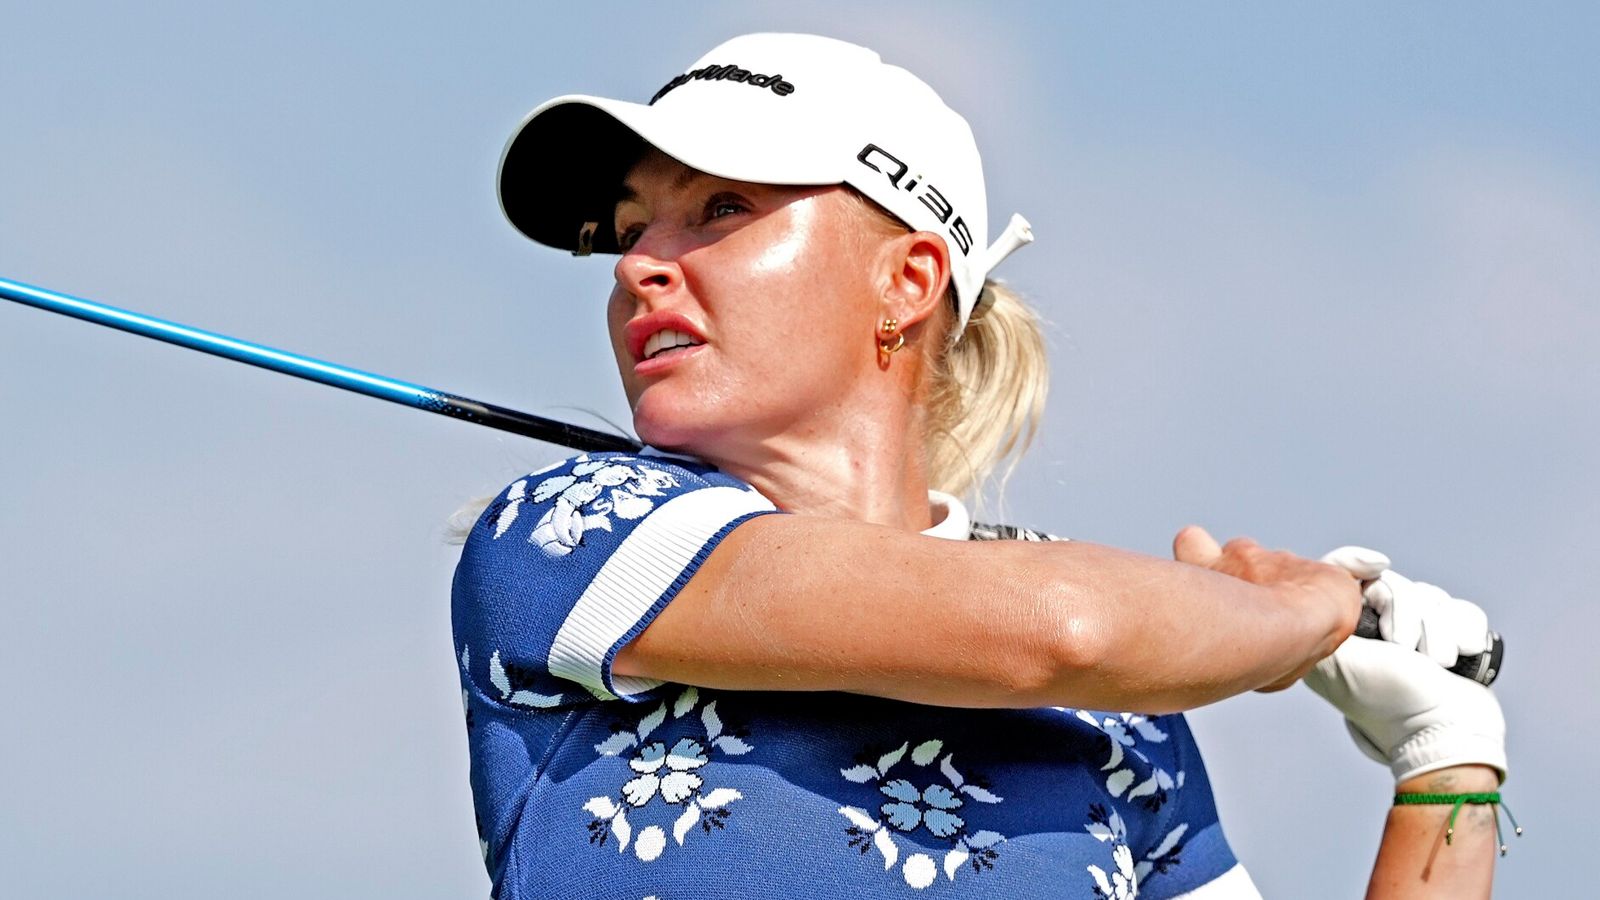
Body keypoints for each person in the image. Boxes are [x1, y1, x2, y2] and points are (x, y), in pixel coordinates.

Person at [452, 33, 1508, 898]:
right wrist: (1299, 614)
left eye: (719, 210)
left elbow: (1068, 635)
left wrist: (1444, 763)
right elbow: (1057, 631)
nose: (639, 266)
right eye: (632, 229)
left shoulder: (1118, 704)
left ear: (907, 280)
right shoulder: (572, 533)